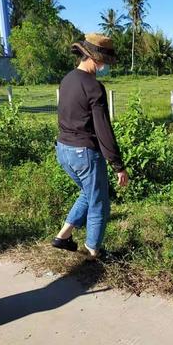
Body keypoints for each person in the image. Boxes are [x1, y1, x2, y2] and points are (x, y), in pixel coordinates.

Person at [52, 33, 129, 258]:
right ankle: (94, 250)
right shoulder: (94, 87)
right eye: (104, 61)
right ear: (94, 58)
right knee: (99, 202)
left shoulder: (67, 80)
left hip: (63, 149)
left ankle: (63, 236)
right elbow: (103, 129)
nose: (105, 66)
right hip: (83, 152)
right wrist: (118, 165)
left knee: (89, 192)